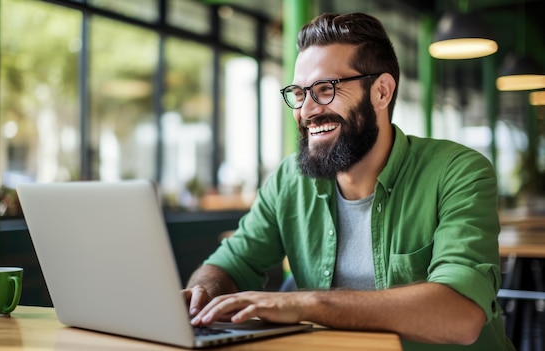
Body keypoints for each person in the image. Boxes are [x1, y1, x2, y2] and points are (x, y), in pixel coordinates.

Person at [182, 12, 514, 350]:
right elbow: (229, 264)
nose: (307, 110)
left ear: (381, 92)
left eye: (326, 89)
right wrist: (201, 295)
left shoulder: (458, 171)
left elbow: (461, 316)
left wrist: (308, 304)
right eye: (299, 93)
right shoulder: (289, 180)